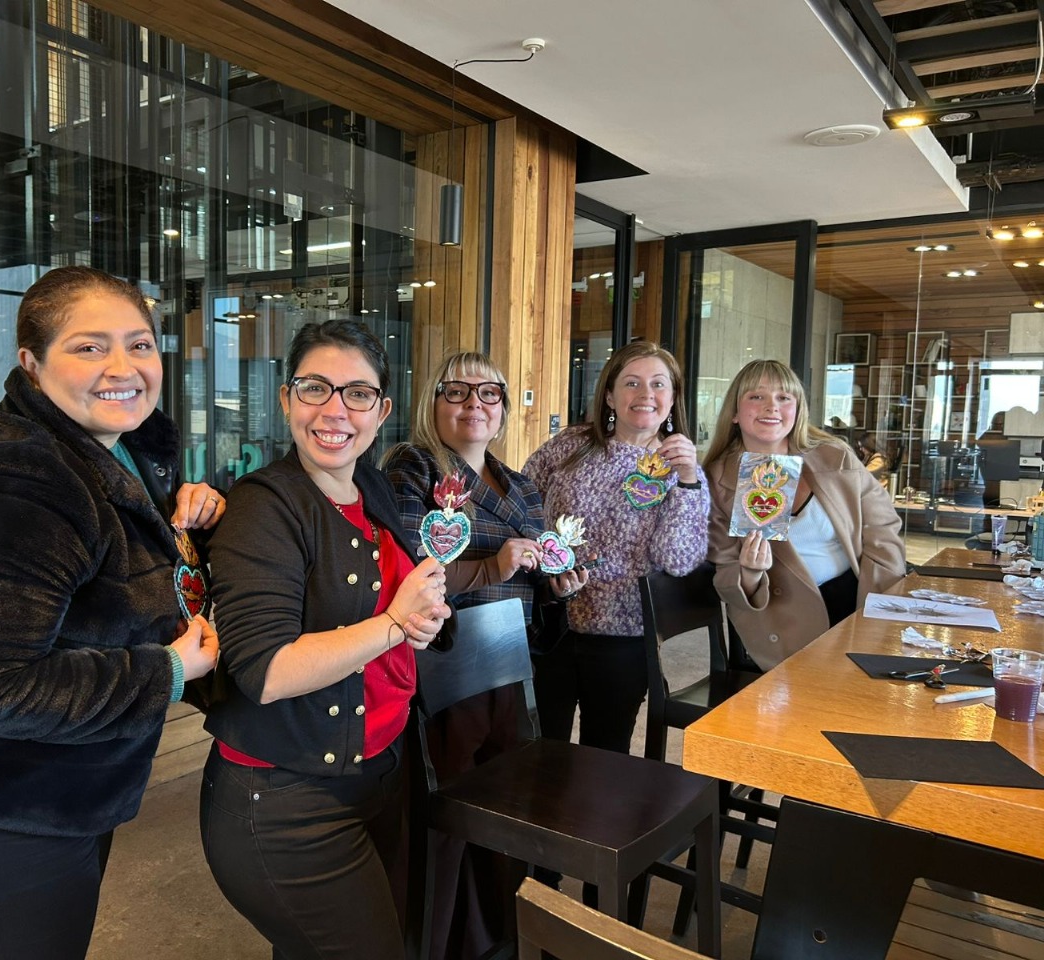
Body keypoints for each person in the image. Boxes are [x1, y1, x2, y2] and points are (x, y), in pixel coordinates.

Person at [0, 266, 223, 960]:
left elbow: (104, 586)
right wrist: (167, 672)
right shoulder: (21, 479)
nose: (123, 367)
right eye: (89, 347)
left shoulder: (116, 456)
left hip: (53, 794)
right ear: (31, 364)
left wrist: (185, 518)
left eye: (140, 345)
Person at [201, 319, 452, 960]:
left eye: (358, 393)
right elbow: (267, 671)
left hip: (379, 769)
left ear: (381, 411)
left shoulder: (371, 486)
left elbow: (389, 606)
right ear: (287, 398)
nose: (335, 410)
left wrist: (419, 621)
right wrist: (394, 624)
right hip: (287, 802)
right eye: (315, 388)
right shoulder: (264, 506)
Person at [383, 350, 586, 960]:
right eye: (457, 391)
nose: (474, 403)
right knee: (449, 815)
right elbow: (406, 573)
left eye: (489, 393)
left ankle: (493, 936)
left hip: (512, 664)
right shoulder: (413, 468)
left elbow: (537, 575)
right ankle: (440, 942)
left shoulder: (520, 484)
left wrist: (557, 586)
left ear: (503, 410)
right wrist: (492, 568)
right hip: (444, 666)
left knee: (506, 809)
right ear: (433, 402)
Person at [522, 340, 709, 756]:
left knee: (604, 758)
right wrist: (541, 564)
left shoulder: (682, 471)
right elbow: (522, 499)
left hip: (623, 637)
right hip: (549, 622)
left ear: (673, 397)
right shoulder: (572, 444)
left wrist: (687, 482)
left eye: (658, 384)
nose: (646, 394)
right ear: (609, 395)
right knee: (537, 750)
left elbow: (677, 560)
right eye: (632, 383)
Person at [702, 359, 906, 672]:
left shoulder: (834, 455)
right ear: (734, 412)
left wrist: (879, 603)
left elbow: (882, 528)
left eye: (784, 397)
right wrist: (750, 574)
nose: (771, 406)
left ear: (797, 410)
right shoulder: (716, 481)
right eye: (757, 396)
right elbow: (726, 577)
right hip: (783, 615)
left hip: (860, 599)